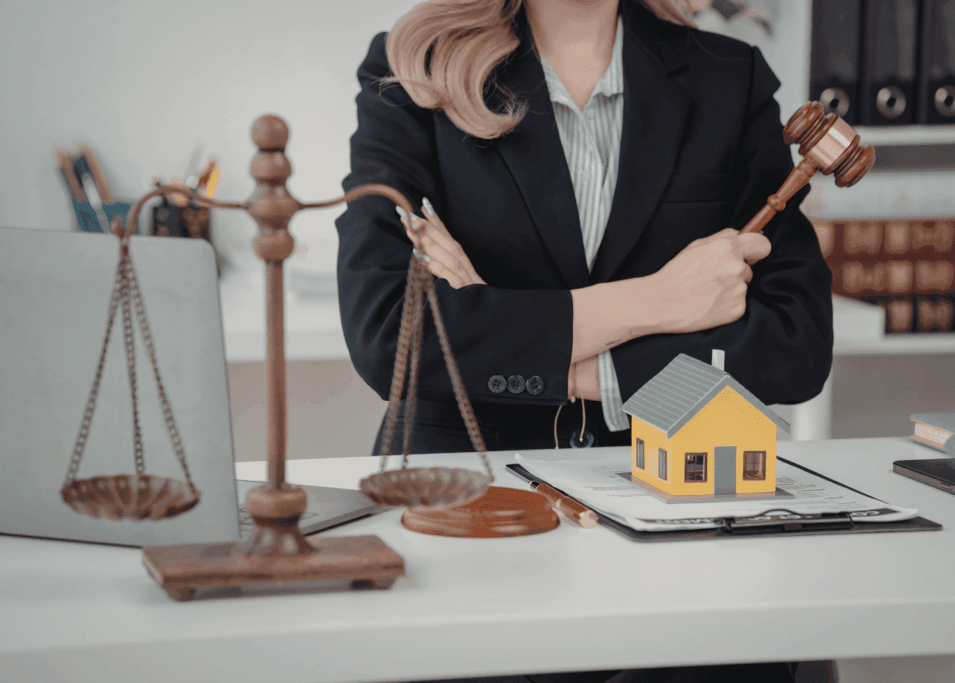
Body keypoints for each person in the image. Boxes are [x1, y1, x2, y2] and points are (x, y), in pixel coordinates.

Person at [336, 0, 831, 680]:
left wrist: (559, 356)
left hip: (677, 517)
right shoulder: (413, 68)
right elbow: (392, 331)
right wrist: (659, 300)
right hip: (464, 515)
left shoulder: (729, 79)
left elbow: (794, 341)